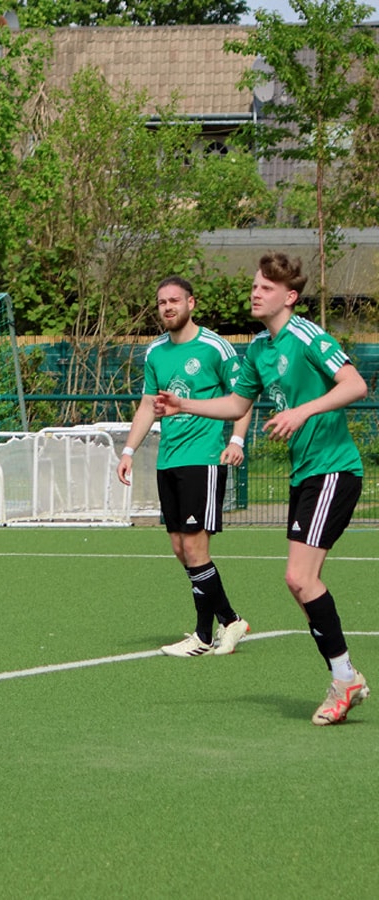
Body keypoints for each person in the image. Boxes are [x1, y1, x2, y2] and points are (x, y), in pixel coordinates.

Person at [156, 253, 369, 725]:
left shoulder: (308, 336)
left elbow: (356, 385)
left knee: (299, 579)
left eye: (266, 288)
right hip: (306, 475)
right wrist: (182, 404)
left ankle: (344, 679)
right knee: (299, 583)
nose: (256, 293)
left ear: (289, 297)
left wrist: (303, 410)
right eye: (254, 286)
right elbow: (236, 403)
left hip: (335, 469)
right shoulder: (258, 349)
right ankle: (345, 675)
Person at [117, 276, 253, 658]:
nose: (167, 307)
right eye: (161, 302)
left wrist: (237, 440)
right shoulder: (156, 352)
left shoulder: (214, 347)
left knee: (195, 547)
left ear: (191, 303)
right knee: (180, 548)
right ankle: (230, 620)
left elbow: (242, 397)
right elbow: (147, 405)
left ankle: (203, 635)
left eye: (174, 300)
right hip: (169, 459)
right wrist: (128, 450)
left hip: (204, 458)